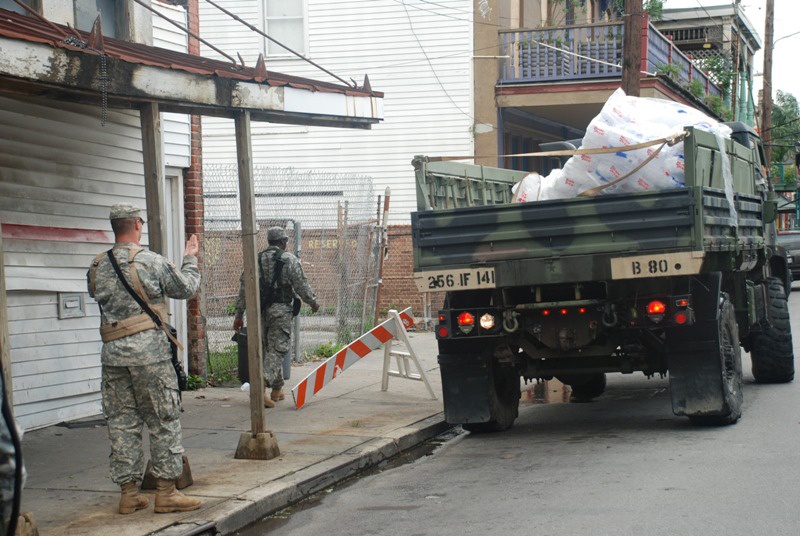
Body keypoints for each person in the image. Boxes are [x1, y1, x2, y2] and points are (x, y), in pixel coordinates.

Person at [87, 203, 201, 515]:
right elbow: (186, 287)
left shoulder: (98, 265)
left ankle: (129, 494)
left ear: (115, 228)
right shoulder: (150, 260)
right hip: (149, 355)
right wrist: (190, 257)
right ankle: (166, 493)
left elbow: (95, 295)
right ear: (138, 224)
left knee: (122, 422)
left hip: (113, 357)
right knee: (163, 420)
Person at [232, 226, 319, 407]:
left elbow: (243, 289)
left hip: (260, 312)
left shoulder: (255, 260)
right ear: (283, 242)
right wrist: (312, 302)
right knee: (278, 349)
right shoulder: (289, 259)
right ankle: (260, 387)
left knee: (271, 348)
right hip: (281, 311)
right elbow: (301, 284)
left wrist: (239, 314)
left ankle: (277, 389)